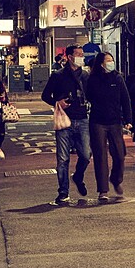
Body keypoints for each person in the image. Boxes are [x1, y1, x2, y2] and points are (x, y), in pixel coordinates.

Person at [41, 44, 91, 204]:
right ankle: (63, 191)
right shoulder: (58, 75)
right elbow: (45, 95)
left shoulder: (85, 75)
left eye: (82, 54)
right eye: (78, 54)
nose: (81, 57)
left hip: (82, 119)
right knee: (63, 158)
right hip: (64, 119)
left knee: (86, 154)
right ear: (69, 57)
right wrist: (57, 103)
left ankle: (78, 176)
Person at [87, 51, 131, 201]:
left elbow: (125, 99)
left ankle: (116, 179)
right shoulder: (93, 79)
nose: (110, 63)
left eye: (112, 60)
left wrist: (128, 119)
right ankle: (103, 190)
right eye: (108, 60)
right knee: (100, 156)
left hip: (115, 121)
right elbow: (89, 96)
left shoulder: (118, 78)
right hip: (97, 121)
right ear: (101, 63)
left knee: (119, 154)